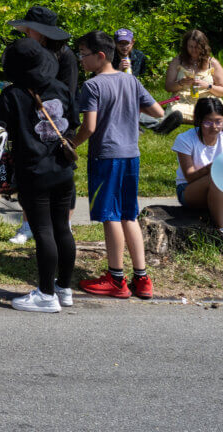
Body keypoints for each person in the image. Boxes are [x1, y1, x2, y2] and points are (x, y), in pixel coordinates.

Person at [70, 31, 166, 300]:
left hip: (106, 157)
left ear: (100, 56)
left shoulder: (92, 86)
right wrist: (129, 105)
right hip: (131, 156)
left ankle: (115, 279)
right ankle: (142, 279)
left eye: (84, 54)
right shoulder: (130, 80)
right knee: (128, 214)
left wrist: (71, 144)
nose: (81, 59)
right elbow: (158, 112)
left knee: (110, 215)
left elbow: (89, 127)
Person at [0, 39, 79, 312]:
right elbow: (73, 125)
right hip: (62, 169)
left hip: (33, 171)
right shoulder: (61, 88)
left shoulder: (11, 95)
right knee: (62, 228)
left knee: (43, 231)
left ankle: (45, 294)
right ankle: (64, 288)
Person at [171, 97, 223, 235]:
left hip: (218, 190)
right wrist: (212, 167)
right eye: (208, 122)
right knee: (217, 178)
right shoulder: (185, 139)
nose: (214, 127)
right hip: (188, 189)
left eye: (218, 121)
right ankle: (220, 229)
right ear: (199, 120)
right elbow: (189, 176)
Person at [162, 29, 223, 127]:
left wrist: (208, 86)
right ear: (185, 46)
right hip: (183, 100)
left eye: (197, 47)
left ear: (203, 47)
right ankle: (205, 119)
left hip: (206, 100)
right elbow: (168, 87)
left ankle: (202, 118)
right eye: (190, 46)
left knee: (215, 109)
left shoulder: (212, 63)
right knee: (174, 111)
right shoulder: (177, 61)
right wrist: (181, 83)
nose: (193, 50)